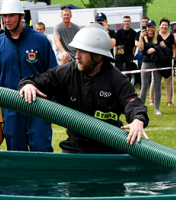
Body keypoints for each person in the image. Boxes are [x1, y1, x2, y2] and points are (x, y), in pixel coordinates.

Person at [18, 24, 149, 153]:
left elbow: (132, 102)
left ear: (99, 55)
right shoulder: (66, 72)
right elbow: (36, 80)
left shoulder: (116, 79)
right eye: (76, 50)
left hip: (109, 148)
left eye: (83, 51)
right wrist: (28, 84)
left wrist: (138, 119)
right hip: (75, 146)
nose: (76, 56)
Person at [0, 0, 57, 152]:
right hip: (10, 106)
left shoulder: (41, 40)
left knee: (41, 147)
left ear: (21, 16)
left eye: (11, 16)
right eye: (5, 16)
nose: (7, 20)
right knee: (16, 151)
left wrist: (54, 103)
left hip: (39, 106)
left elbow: (53, 74)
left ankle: (43, 177)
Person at [137, 20, 166, 115]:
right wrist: (141, 37)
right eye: (148, 27)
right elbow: (141, 49)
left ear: (154, 28)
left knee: (157, 86)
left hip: (157, 63)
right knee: (144, 86)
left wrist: (155, 48)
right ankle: (140, 108)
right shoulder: (143, 37)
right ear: (146, 27)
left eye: (152, 27)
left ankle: (157, 108)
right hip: (146, 62)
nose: (150, 29)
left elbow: (164, 48)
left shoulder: (158, 37)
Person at [114, 16, 138, 83]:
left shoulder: (133, 33)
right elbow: (116, 45)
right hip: (119, 54)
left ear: (130, 22)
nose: (126, 22)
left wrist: (133, 54)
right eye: (125, 21)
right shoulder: (119, 32)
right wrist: (117, 54)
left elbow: (134, 46)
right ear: (123, 22)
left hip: (129, 54)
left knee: (129, 71)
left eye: (128, 21)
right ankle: (117, 83)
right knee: (117, 71)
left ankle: (128, 84)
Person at [158, 18, 176, 107]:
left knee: (169, 81)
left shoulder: (171, 36)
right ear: (159, 26)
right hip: (158, 61)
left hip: (168, 61)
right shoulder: (156, 35)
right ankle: (152, 100)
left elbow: (174, 48)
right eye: (163, 25)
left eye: (166, 25)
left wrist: (173, 58)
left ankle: (169, 101)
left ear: (168, 27)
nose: (164, 26)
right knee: (154, 81)